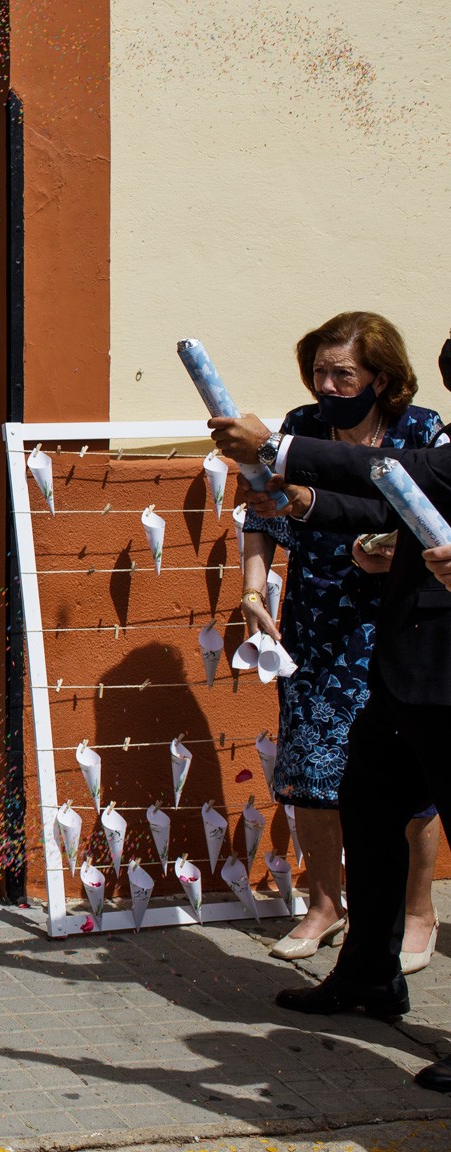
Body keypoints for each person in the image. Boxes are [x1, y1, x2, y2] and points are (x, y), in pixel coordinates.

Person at [211, 339, 451, 1096]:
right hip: (405, 670)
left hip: (444, 673)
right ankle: (369, 974)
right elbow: (400, 501)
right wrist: (318, 509)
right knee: (369, 806)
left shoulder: (427, 438)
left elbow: (405, 474)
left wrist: (279, 450)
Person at [234, 312, 442, 965]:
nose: (327, 383)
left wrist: (386, 547)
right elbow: (260, 509)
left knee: (410, 779)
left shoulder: (421, 431)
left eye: (342, 373)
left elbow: (408, 505)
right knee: (311, 768)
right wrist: (252, 589)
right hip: (316, 618)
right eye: (319, 371)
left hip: (396, 619)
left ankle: (417, 911)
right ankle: (325, 905)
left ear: (380, 377)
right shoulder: (300, 424)